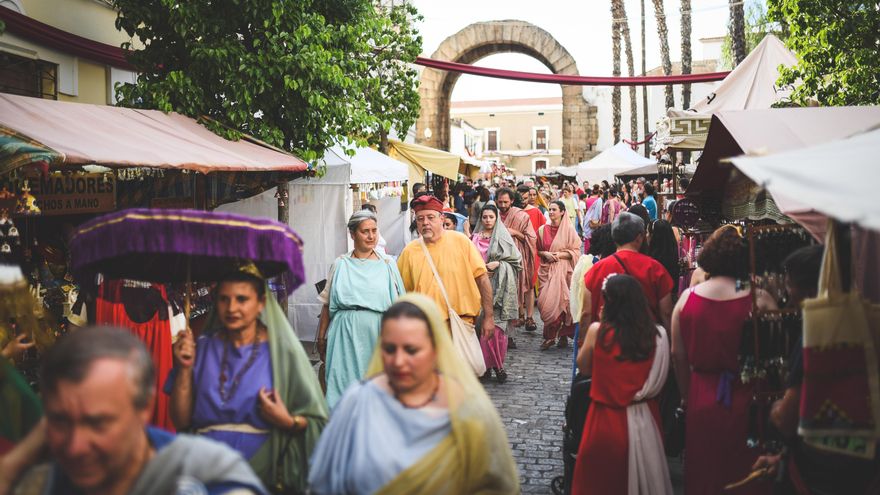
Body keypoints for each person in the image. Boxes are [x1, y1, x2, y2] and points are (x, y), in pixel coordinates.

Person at [11, 327, 266, 494]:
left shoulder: (206, 476)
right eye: (61, 421)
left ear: (144, 409)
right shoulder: (44, 483)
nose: (76, 445)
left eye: (98, 423)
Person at [308, 295, 519, 494]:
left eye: (411, 350)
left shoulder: (468, 410)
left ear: (436, 350)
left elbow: (494, 484)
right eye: (390, 349)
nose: (398, 361)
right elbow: (325, 479)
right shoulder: (358, 402)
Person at [169, 264, 328, 493]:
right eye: (224, 299)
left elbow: (317, 423)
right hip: (204, 472)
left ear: (261, 303)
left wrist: (288, 421)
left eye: (242, 299)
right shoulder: (200, 349)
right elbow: (181, 422)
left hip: (261, 472)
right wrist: (184, 369)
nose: (231, 308)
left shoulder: (282, 353)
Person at [670, 226, 777, 495]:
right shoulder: (761, 300)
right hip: (751, 398)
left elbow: (677, 355)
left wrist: (686, 395)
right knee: (746, 473)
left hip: (702, 396)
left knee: (706, 471)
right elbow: (775, 354)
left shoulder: (686, 299)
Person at [573, 275, 672, 494]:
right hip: (646, 417)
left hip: (604, 419)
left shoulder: (598, 332)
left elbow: (584, 367)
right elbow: (661, 378)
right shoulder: (659, 336)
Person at [316, 210, 405, 409]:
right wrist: (321, 339)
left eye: (374, 231)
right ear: (353, 234)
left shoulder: (388, 265)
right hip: (343, 335)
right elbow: (326, 304)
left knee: (377, 385)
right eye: (365, 231)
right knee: (342, 386)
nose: (371, 236)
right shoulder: (340, 264)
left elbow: (399, 308)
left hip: (377, 333)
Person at [396, 195, 495, 340]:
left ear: (441, 218)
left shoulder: (461, 242)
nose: (426, 223)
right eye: (420, 219)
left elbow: (482, 279)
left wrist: (489, 317)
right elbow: (402, 293)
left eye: (431, 217)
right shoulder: (409, 252)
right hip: (425, 330)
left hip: (461, 325)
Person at [582, 212, 674, 331]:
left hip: (606, 341)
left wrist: (584, 343)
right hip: (645, 340)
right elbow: (666, 312)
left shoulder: (596, 269)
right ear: (639, 237)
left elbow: (586, 312)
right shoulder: (655, 268)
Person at [470, 203, 522, 383]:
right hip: (477, 287)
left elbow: (516, 262)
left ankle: (498, 365)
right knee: (481, 327)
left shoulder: (503, 238)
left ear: (497, 218)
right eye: (484, 217)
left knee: (497, 330)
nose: (487, 220)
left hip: (499, 288)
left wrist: (499, 264)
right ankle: (485, 367)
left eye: (491, 217)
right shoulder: (474, 238)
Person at [536, 200, 581, 350]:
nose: (551, 212)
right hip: (546, 271)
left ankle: (558, 336)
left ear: (562, 212)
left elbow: (576, 252)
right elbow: (538, 251)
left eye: (554, 209)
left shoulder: (569, 230)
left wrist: (559, 255)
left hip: (564, 271)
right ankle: (551, 334)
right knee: (546, 303)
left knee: (564, 304)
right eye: (550, 209)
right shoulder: (542, 230)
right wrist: (545, 254)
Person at [496, 188, 538, 333]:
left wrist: (514, 232)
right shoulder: (492, 215)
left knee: (516, 290)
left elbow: (531, 238)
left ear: (512, 201)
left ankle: (518, 325)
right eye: (500, 202)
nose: (502, 205)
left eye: (505, 202)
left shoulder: (521, 216)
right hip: (497, 258)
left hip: (516, 258)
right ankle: (505, 331)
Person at [648, 220, 681, 296]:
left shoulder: (651, 260)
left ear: (654, 236)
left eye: (648, 232)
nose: (647, 235)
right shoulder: (679, 254)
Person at [581, 185, 604, 254]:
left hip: (588, 220)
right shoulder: (599, 200)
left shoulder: (587, 200)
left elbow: (587, 210)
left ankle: (587, 253)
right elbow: (600, 212)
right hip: (596, 220)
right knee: (594, 236)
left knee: (587, 237)